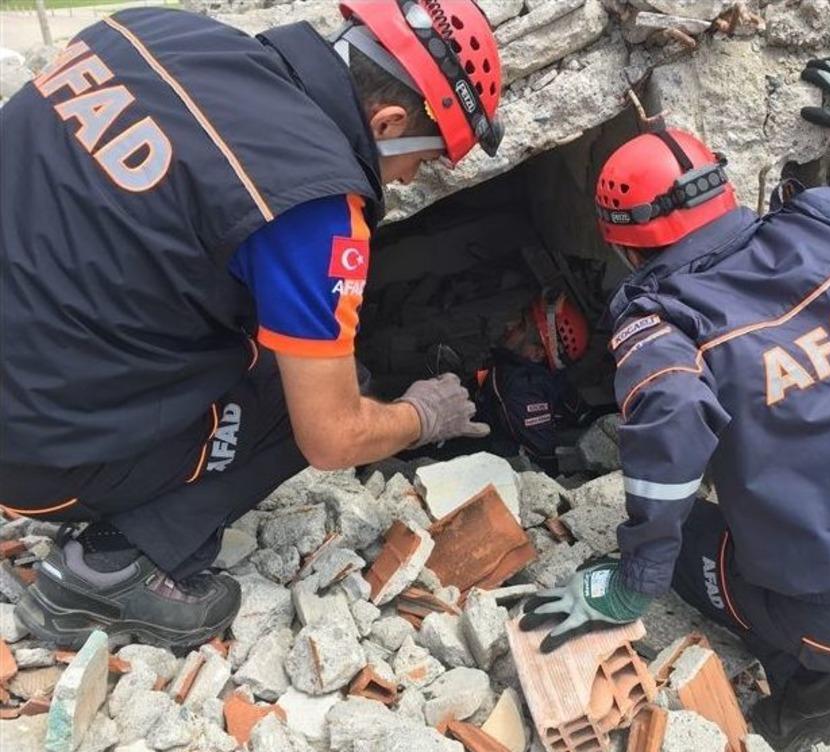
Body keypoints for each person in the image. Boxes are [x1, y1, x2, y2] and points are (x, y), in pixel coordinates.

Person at [521, 54, 830, 752]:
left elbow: (674, 426)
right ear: (723, 190)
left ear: (623, 247)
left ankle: (815, 695)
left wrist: (633, 584)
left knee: (685, 543)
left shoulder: (663, 325)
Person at [0, 0, 503, 648]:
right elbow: (332, 436)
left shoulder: (150, 32)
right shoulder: (312, 203)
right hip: (30, 458)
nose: (407, 180)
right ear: (390, 122)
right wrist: (422, 415)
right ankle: (111, 569)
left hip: (34, 336)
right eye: (424, 161)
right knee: (328, 390)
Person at [473, 290, 593, 473]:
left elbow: (544, 461)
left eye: (521, 325)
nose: (509, 325)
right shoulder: (539, 375)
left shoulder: (522, 389)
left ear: (537, 353)